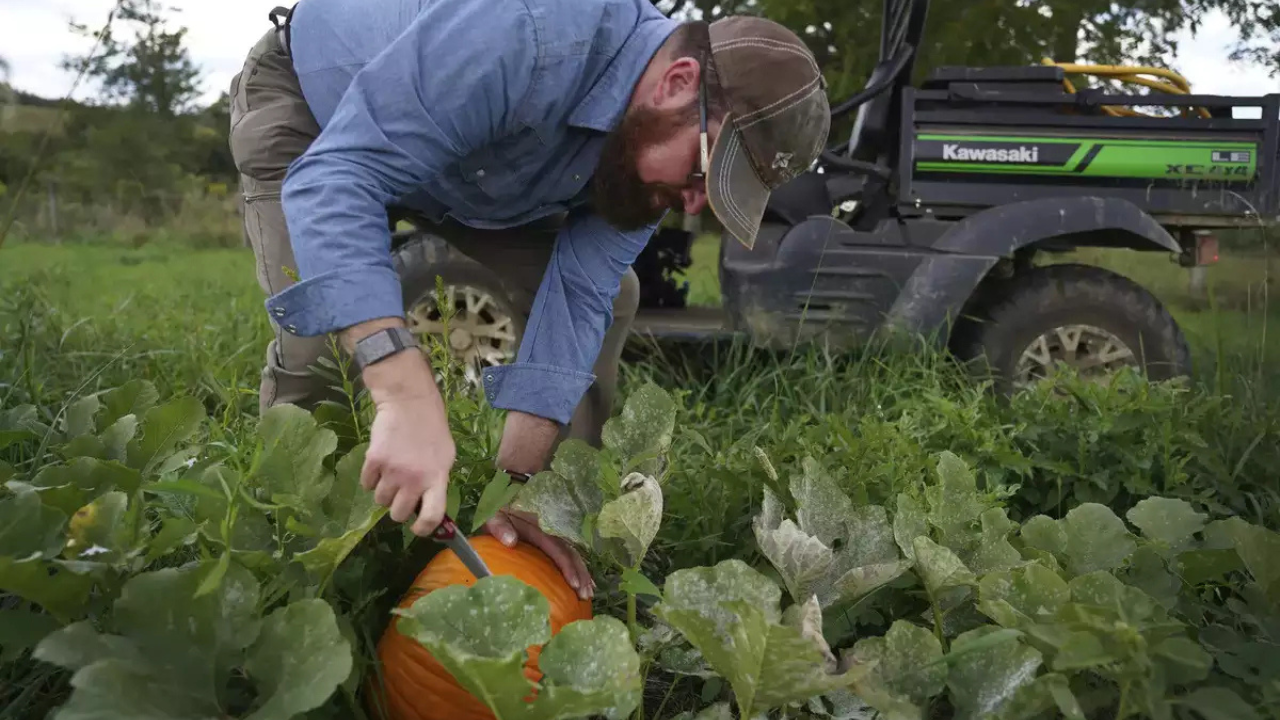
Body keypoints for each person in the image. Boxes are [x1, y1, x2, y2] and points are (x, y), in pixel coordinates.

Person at [228, 0, 830, 599]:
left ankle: (541, 517)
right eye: (705, 172)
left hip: (479, 171)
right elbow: (341, 175)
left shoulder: (649, 150)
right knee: (320, 343)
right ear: (677, 84)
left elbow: (578, 291)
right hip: (321, 114)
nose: (696, 205)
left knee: (615, 294)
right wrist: (404, 394)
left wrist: (519, 482)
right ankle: (289, 557)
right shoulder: (529, 30)